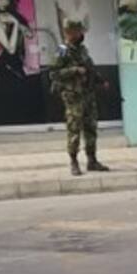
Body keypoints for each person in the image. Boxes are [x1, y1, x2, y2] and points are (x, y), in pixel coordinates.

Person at [51, 19, 109, 176]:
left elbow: (90, 68)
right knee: (74, 129)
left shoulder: (82, 50)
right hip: (73, 96)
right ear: (69, 33)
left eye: (81, 31)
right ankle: (74, 162)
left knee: (91, 128)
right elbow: (54, 73)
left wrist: (101, 81)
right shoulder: (62, 50)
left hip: (88, 95)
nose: (81, 34)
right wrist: (74, 70)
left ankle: (92, 160)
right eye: (78, 31)